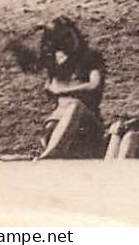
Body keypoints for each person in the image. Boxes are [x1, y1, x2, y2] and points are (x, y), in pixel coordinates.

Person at [32, 17, 107, 159]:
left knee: (75, 106)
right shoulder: (56, 61)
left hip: (88, 122)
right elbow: (51, 88)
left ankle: (51, 155)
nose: (69, 41)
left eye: (69, 35)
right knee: (49, 130)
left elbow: (94, 85)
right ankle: (51, 152)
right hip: (59, 117)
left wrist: (63, 91)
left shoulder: (91, 57)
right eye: (62, 39)